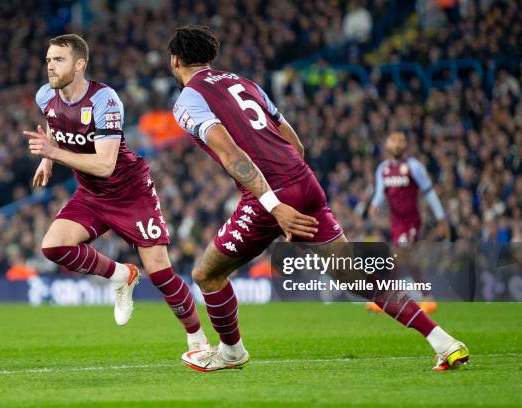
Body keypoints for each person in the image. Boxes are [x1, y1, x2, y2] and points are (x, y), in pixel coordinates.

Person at [167, 25, 468, 372]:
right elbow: (296, 145)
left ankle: (232, 352)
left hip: (269, 196)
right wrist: (291, 191)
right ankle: (444, 342)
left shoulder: (188, 99)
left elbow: (232, 155)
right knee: (355, 276)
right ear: (210, 57)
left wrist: (274, 205)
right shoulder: (246, 84)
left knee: (206, 274)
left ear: (175, 60)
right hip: (303, 182)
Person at [23, 34, 208, 352]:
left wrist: (54, 154)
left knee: (161, 273)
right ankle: (122, 275)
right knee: (53, 246)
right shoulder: (45, 96)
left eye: (59, 60)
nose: (50, 66)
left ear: (79, 65)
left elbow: (106, 165)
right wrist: (46, 159)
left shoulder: (104, 101)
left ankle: (198, 340)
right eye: (49, 60)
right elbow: (55, 122)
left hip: (130, 192)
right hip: (91, 194)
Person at [368, 131, 449, 314]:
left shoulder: (414, 167)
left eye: (401, 141)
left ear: (406, 145)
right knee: (408, 258)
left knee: (397, 253)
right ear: (387, 145)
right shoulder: (383, 169)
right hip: (395, 221)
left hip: (411, 221)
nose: (397, 144)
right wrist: (374, 205)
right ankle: (427, 297)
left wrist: (441, 218)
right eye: (394, 140)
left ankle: (387, 297)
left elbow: (429, 192)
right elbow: (381, 193)